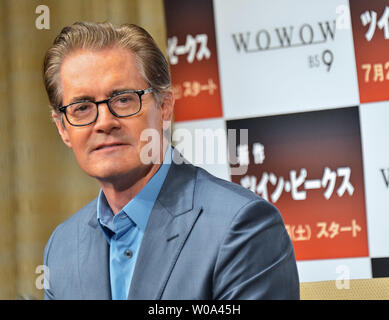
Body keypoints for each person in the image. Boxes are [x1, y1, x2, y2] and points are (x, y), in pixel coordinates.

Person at [42, 21, 299, 300]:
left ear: (164, 108)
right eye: (81, 108)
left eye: (124, 100)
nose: (104, 122)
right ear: (63, 129)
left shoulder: (242, 226)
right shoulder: (62, 246)